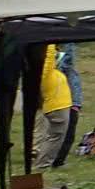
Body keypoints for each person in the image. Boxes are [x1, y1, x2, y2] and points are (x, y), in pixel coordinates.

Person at [31, 42, 76, 171]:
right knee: (55, 138)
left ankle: (43, 163)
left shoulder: (53, 71)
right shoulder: (45, 73)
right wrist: (50, 41)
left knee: (54, 137)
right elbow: (50, 58)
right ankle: (42, 164)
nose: (57, 55)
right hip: (57, 108)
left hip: (60, 107)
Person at [50, 42, 83, 168]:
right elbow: (69, 56)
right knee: (67, 135)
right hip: (69, 104)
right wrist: (70, 39)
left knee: (61, 134)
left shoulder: (55, 65)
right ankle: (57, 161)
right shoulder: (63, 64)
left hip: (67, 103)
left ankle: (55, 160)